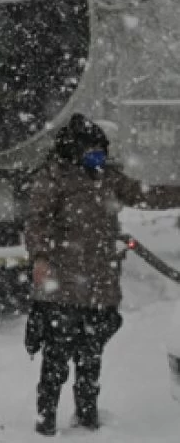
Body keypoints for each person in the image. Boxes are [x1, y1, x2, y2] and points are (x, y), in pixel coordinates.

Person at [23, 113, 180, 435]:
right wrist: (40, 258)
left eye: (102, 150)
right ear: (74, 150)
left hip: (100, 285)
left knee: (90, 358)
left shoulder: (108, 178)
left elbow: (144, 194)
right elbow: (36, 222)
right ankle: (45, 423)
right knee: (56, 358)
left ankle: (88, 417)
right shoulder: (52, 179)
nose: (100, 156)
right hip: (63, 285)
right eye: (93, 150)